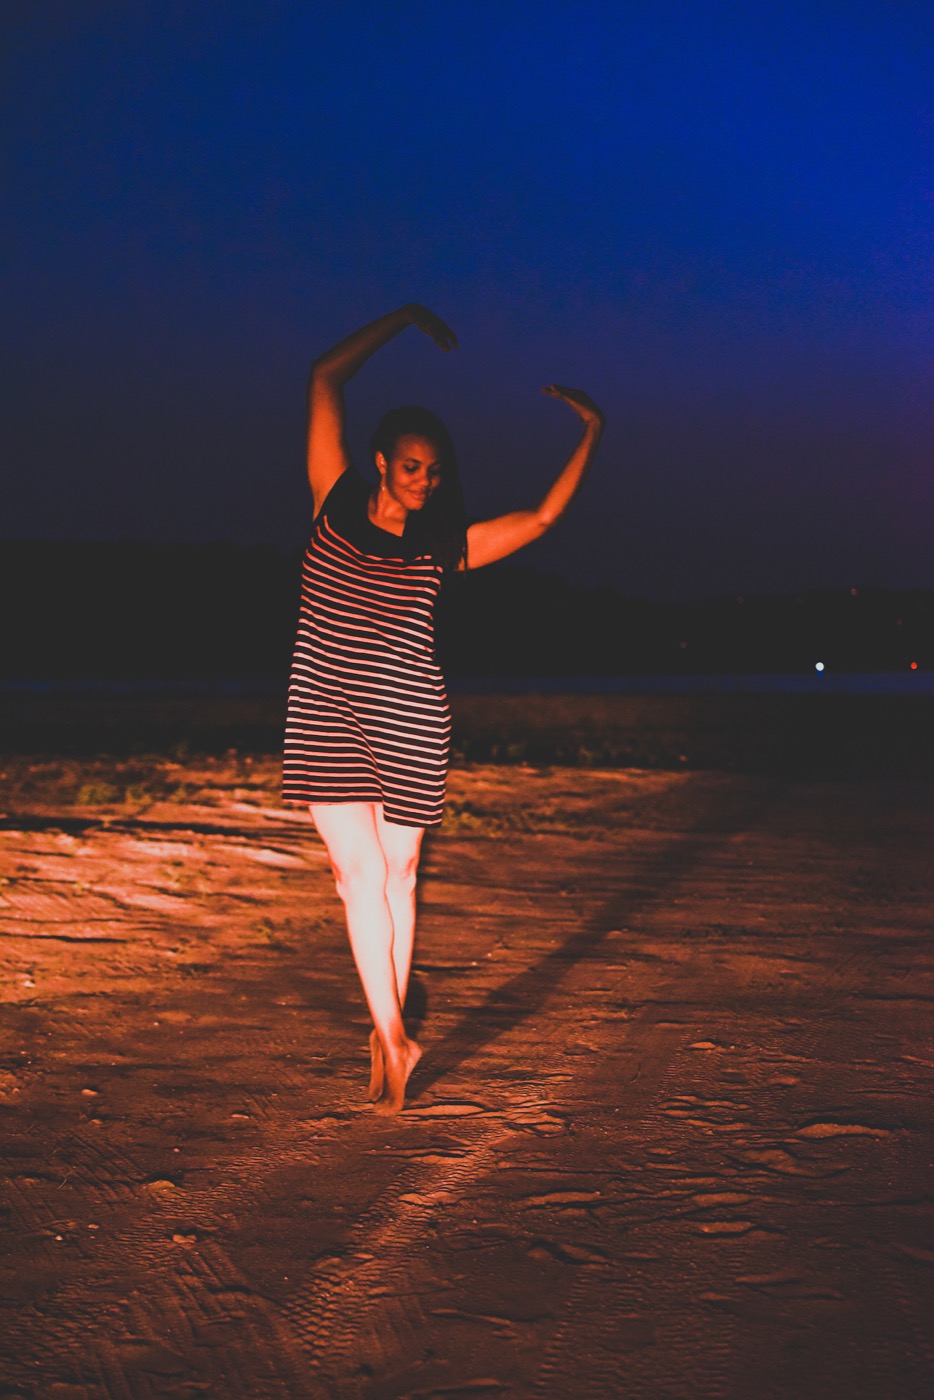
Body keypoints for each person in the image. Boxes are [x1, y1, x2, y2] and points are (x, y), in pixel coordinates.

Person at [283, 303, 603, 1113]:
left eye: (434, 471)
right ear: (381, 463)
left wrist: (592, 432)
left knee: (398, 875)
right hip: (324, 710)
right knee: (356, 876)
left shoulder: (441, 546)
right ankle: (393, 1033)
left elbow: (541, 518)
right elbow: (325, 375)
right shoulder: (331, 500)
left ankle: (387, 1033)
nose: (425, 481)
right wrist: (401, 319)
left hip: (412, 719)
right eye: (412, 467)